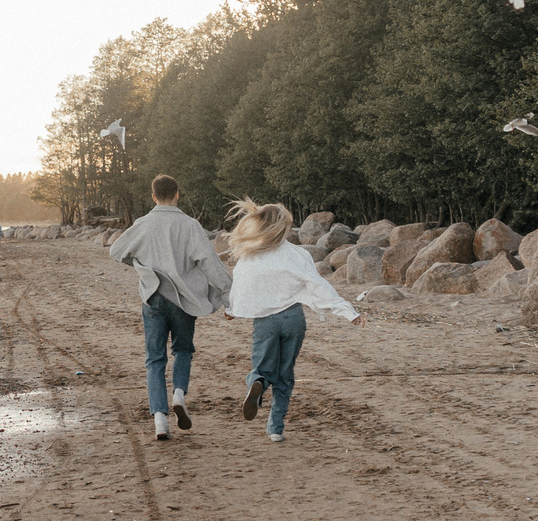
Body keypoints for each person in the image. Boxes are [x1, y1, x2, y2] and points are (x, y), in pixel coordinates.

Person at [221, 197, 359, 442]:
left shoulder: (250, 255)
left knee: (262, 366)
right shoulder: (297, 253)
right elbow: (317, 284)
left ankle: (259, 384)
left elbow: (241, 285)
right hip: (293, 318)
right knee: (285, 373)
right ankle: (275, 428)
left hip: (265, 321)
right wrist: (348, 312)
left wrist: (232, 310)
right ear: (283, 227)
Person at [108, 173, 229, 441]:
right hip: (184, 299)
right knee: (183, 350)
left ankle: (160, 420)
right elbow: (209, 262)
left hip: (153, 297)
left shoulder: (143, 223)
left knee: (154, 359)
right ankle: (178, 395)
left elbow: (116, 251)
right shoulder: (190, 225)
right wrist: (228, 294)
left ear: (153, 196)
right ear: (177, 195)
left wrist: (143, 268)